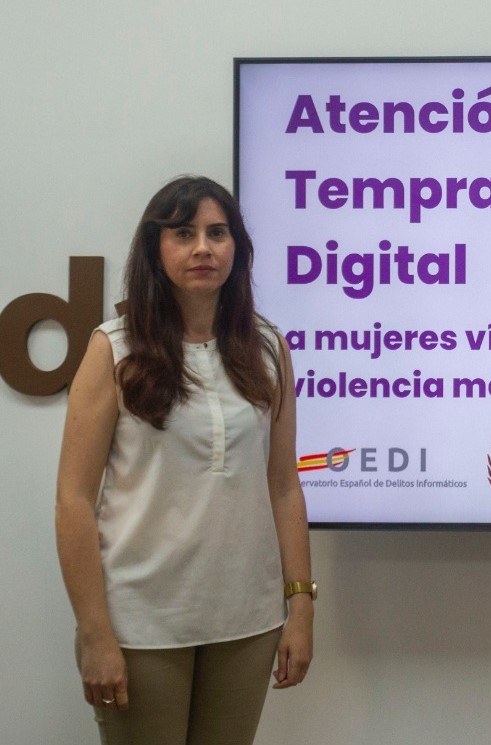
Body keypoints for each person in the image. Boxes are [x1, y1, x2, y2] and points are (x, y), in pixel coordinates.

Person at [55, 176, 315, 744]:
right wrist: (94, 632)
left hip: (247, 622)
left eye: (217, 233)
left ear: (237, 248)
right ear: (155, 249)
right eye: (183, 233)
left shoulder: (268, 349)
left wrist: (301, 606)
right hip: (140, 624)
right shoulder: (114, 348)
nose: (203, 248)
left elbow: (284, 486)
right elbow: (73, 501)